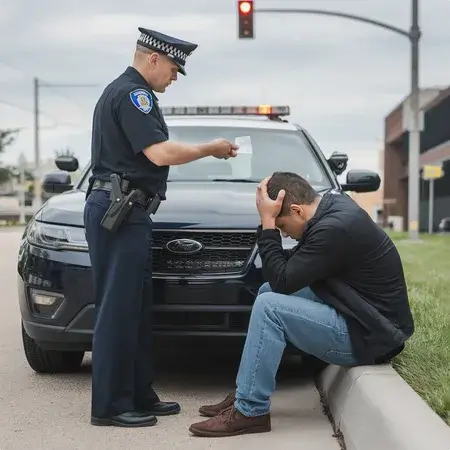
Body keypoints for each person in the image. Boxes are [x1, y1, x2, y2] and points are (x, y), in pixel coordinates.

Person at [84, 27, 238, 428]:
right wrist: (210, 148)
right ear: (152, 58)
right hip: (120, 209)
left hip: (129, 210)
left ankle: (137, 394)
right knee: (118, 309)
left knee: (134, 308)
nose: (174, 77)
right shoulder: (134, 94)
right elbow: (159, 153)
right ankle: (111, 406)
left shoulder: (130, 93)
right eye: (173, 68)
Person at [189, 171, 414, 437]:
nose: (285, 234)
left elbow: (282, 281)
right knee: (265, 293)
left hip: (370, 336)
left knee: (271, 306)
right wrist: (272, 221)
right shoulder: (330, 210)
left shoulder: (333, 229)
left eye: (282, 227)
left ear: (296, 210)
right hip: (355, 311)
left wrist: (267, 224)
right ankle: (246, 392)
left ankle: (251, 411)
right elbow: (280, 278)